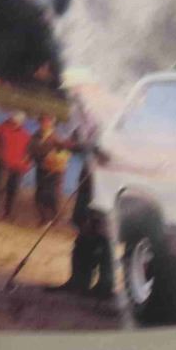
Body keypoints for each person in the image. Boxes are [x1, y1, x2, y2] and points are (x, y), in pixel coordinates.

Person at [48, 100, 113, 299]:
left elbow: (101, 148)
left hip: (105, 181)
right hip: (93, 177)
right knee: (86, 228)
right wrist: (70, 144)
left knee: (101, 232)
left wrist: (67, 144)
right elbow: (88, 143)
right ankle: (82, 281)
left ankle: (101, 285)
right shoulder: (91, 114)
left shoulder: (112, 115)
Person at [0, 112, 31, 221]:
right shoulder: (0, 127)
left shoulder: (25, 134)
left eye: (19, 121)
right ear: (11, 118)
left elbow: (29, 152)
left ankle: (9, 214)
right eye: (15, 119)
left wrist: (27, 164)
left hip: (18, 167)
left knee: (13, 191)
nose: (16, 122)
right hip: (4, 164)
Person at [29, 111, 71, 225]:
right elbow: (30, 150)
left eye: (47, 121)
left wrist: (56, 161)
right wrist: (30, 160)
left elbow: (66, 153)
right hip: (41, 168)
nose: (44, 124)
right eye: (42, 121)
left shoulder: (57, 137)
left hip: (55, 170)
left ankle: (55, 219)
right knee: (39, 195)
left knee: (54, 195)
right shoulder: (35, 136)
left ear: (52, 123)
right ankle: (44, 218)